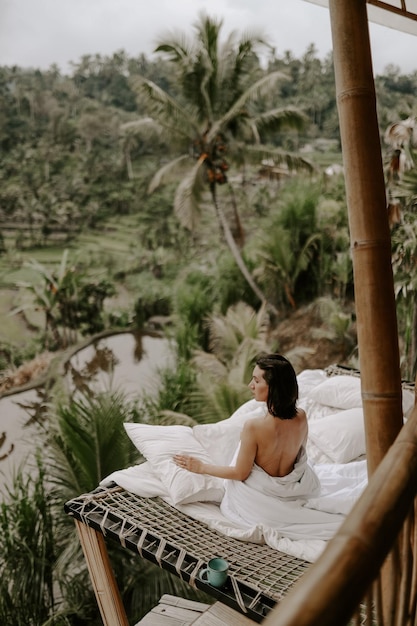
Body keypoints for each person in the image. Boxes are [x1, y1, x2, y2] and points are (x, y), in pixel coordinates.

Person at [173, 353, 308, 481]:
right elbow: (298, 458)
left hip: (260, 493)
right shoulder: (301, 417)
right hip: (290, 487)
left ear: (273, 388)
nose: (250, 385)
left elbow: (240, 473)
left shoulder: (254, 427)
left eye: (256, 381)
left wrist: (201, 467)